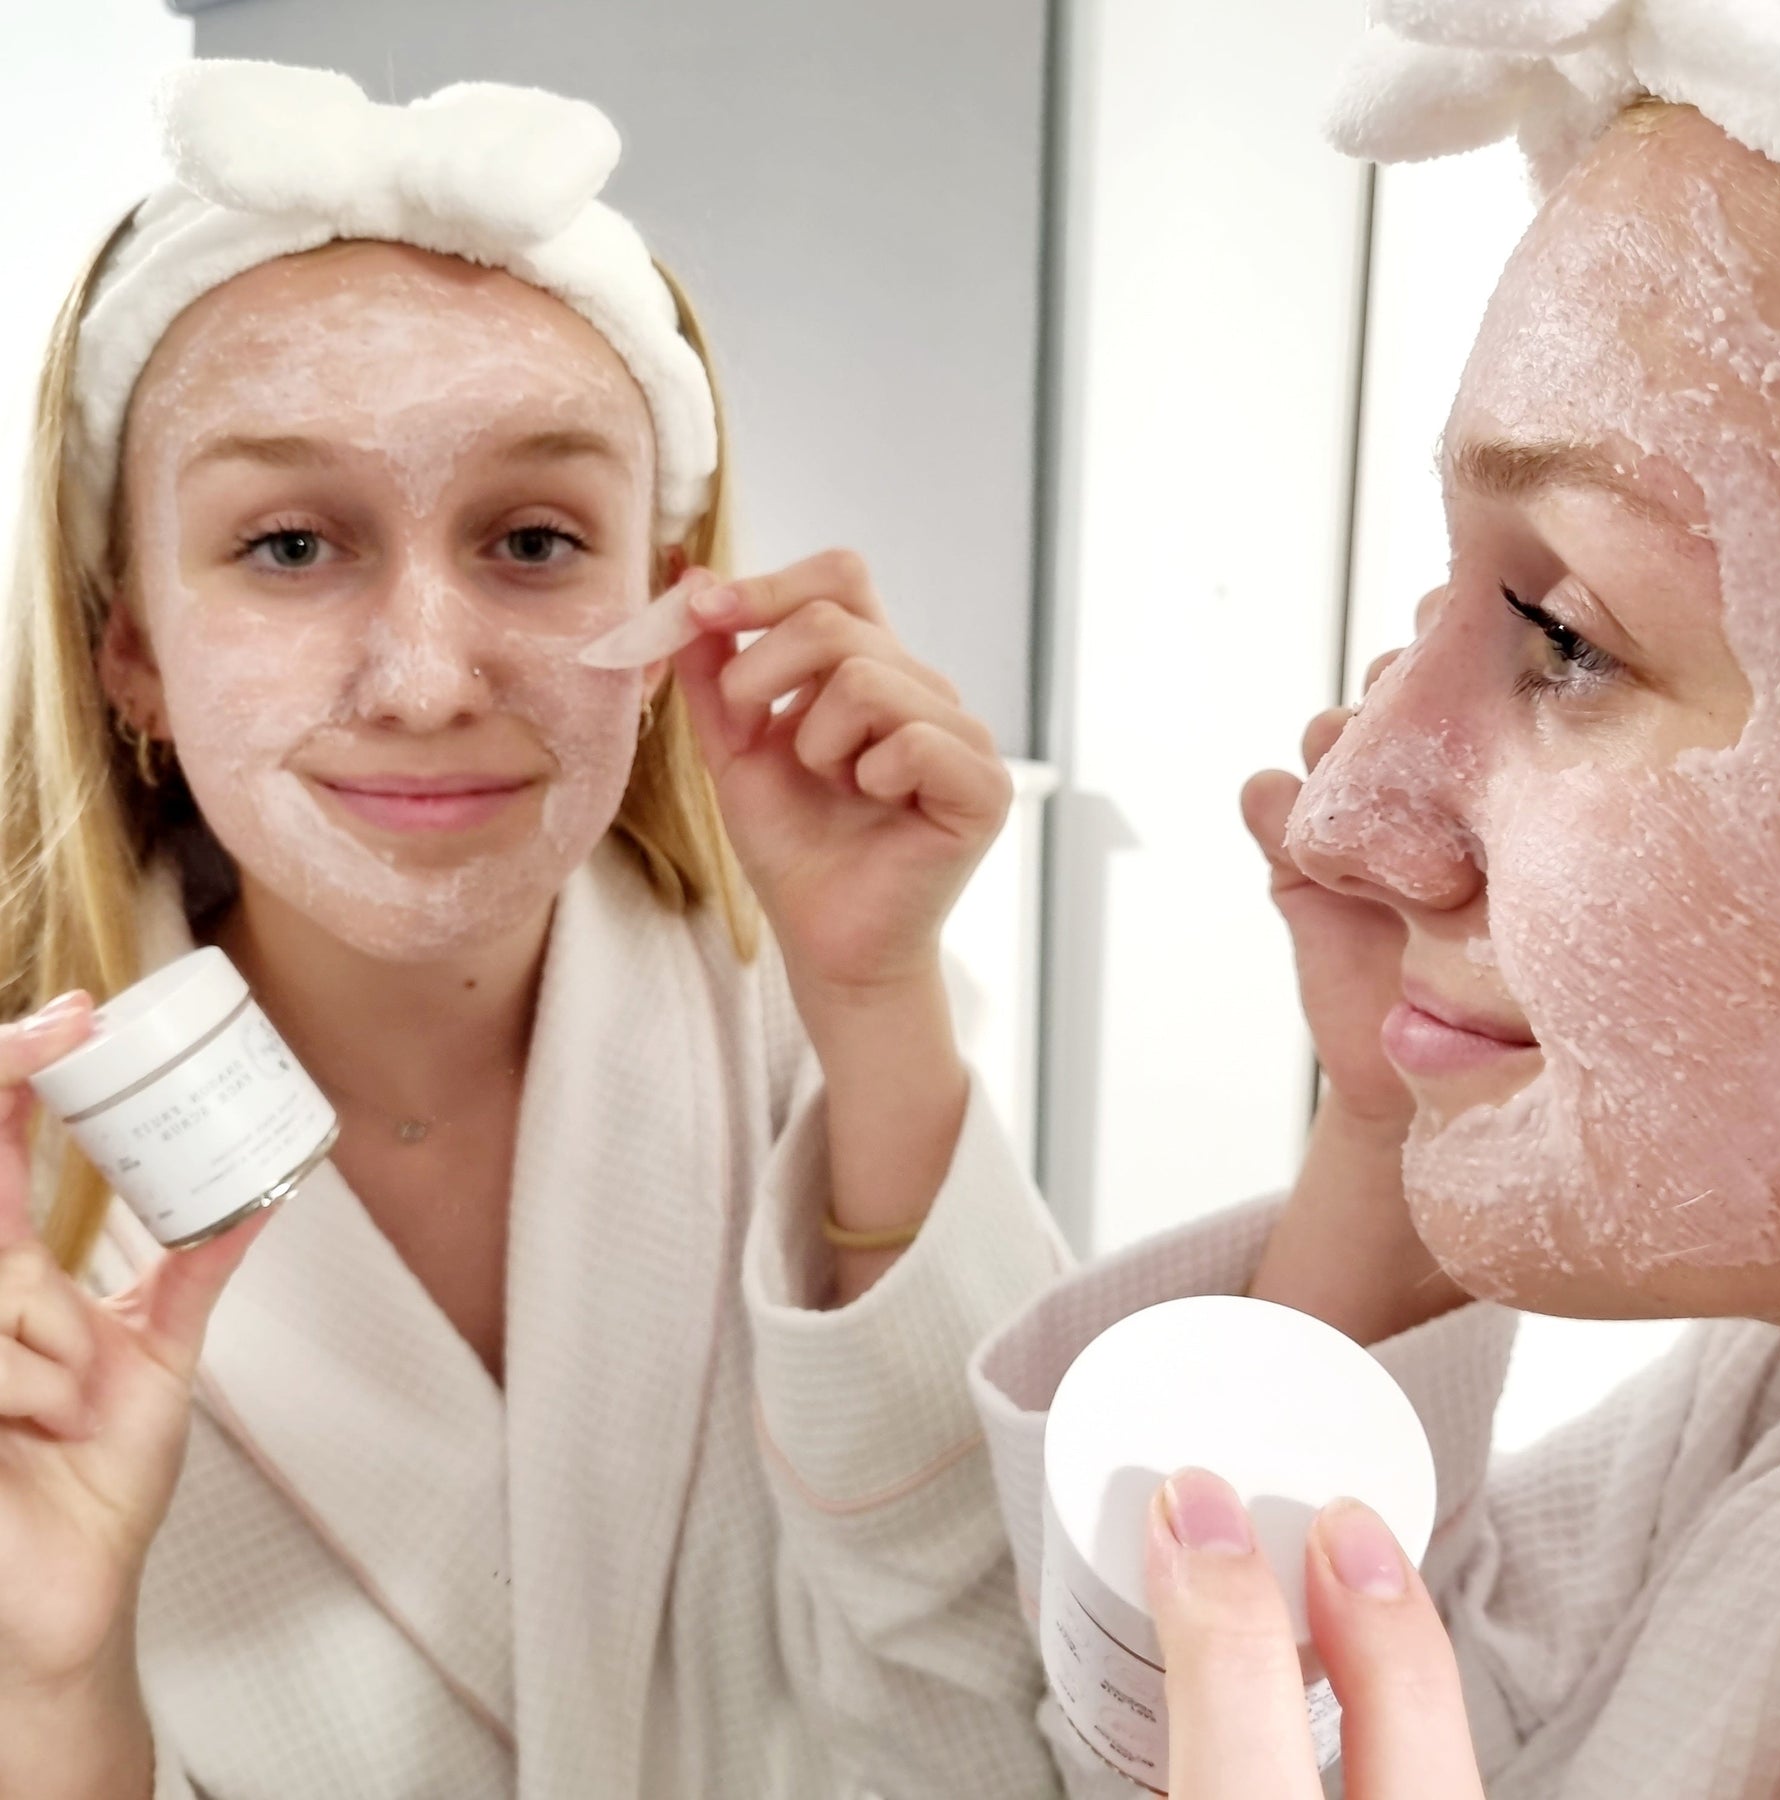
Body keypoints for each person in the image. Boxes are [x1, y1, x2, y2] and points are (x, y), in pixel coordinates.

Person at [0, 59, 1075, 1800]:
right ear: (131, 650)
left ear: (665, 604)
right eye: (291, 545)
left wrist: (878, 1010)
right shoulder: (26, 1195)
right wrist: (51, 1689)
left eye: (532, 538)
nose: (430, 682)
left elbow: (1006, 1731)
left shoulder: (801, 1034)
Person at [970, 5, 1780, 1797]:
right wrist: (1385, 1126)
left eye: (1567, 637)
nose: (1344, 810)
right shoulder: (1770, 1416)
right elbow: (1398, 1714)